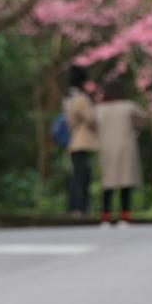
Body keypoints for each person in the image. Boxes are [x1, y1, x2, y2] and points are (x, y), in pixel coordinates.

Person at [94, 79, 147, 226]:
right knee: (125, 183)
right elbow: (143, 119)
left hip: (106, 147)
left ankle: (105, 217)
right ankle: (125, 217)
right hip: (125, 146)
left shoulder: (99, 109)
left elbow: (93, 126)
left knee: (108, 183)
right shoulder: (128, 106)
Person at [63, 65, 98, 216]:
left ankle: (74, 207)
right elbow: (91, 119)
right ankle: (80, 208)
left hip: (73, 140)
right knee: (81, 175)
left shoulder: (68, 98)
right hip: (82, 140)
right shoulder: (81, 99)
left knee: (76, 174)